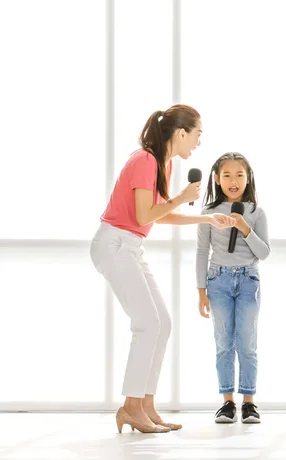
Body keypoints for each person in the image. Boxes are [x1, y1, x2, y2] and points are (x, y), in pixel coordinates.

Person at [91, 105, 235, 433]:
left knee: (162, 323)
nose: (198, 141)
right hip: (114, 244)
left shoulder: (162, 164)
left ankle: (144, 405)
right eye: (197, 133)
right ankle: (130, 407)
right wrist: (183, 196)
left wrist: (205, 217)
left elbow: (159, 214)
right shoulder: (145, 160)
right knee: (147, 323)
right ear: (181, 132)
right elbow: (144, 215)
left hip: (130, 246)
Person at [197, 153, 270, 424]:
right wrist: (200, 290)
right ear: (216, 179)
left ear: (248, 178)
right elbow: (201, 251)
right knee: (223, 343)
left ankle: (249, 402)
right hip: (218, 281)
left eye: (239, 175)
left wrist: (245, 227)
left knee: (247, 343)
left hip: (249, 280)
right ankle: (227, 402)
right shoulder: (208, 213)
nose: (233, 181)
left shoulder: (256, 212)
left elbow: (264, 253)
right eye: (226, 175)